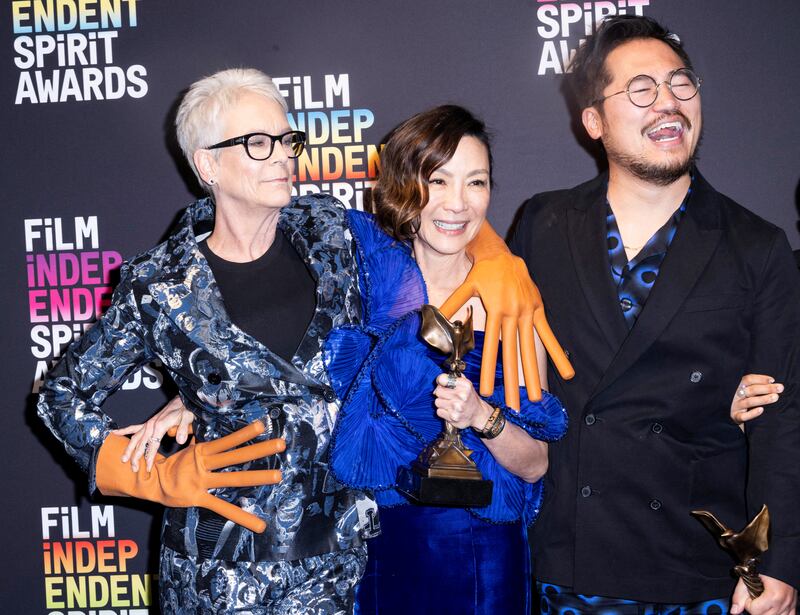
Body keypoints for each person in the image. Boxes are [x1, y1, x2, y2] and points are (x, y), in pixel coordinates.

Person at [36, 68, 547, 614]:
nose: (283, 156)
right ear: (207, 163)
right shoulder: (159, 284)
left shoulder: (331, 231)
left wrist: (503, 265)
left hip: (340, 567)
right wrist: (156, 476)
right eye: (258, 143)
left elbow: (437, 218)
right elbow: (59, 397)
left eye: (287, 140)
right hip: (218, 573)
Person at [509, 15, 800, 614]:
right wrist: (486, 254)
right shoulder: (544, 224)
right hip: (570, 560)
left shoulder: (756, 245)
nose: (667, 103)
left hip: (697, 566)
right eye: (641, 89)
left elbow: (782, 416)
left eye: (680, 83)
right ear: (593, 121)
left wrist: (781, 564)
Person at [321, 105, 571, 614]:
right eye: (438, 180)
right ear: (402, 186)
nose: (458, 204)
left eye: (476, 183)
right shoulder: (359, 285)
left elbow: (535, 464)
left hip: (483, 559)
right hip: (375, 549)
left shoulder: (510, 303)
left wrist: (482, 416)